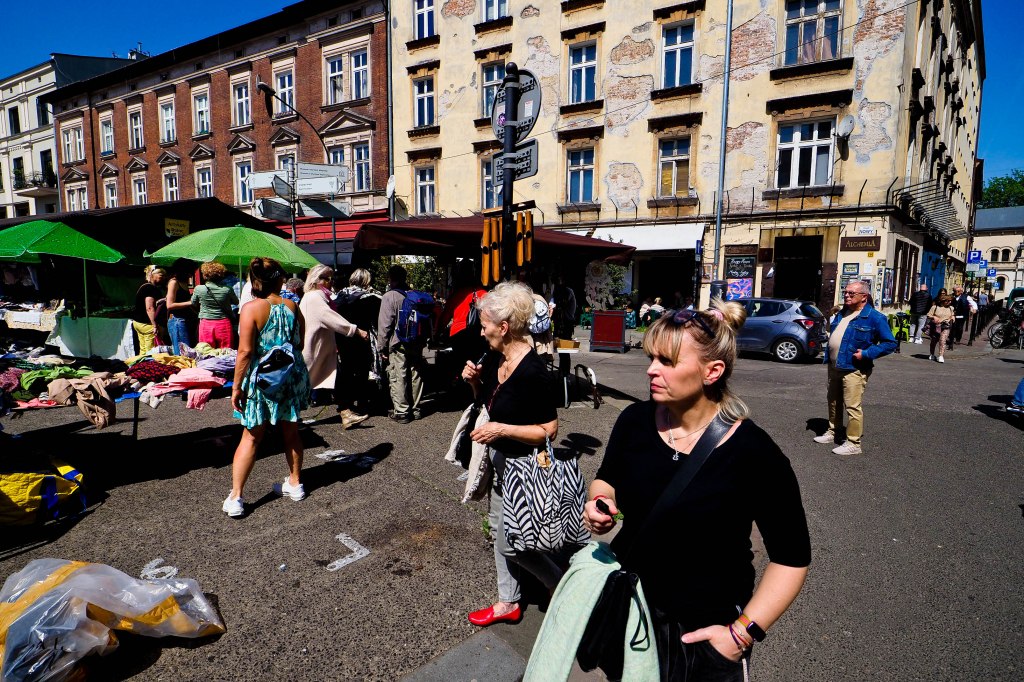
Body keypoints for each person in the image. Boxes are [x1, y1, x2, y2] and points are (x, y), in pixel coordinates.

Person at [582, 302, 811, 680]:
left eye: (667, 361)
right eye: (652, 357)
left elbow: (791, 558)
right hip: (631, 607)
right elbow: (608, 477)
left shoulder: (754, 453)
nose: (651, 370)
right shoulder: (635, 421)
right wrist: (600, 501)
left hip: (704, 629)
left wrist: (740, 634)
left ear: (712, 371)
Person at [461, 281, 571, 628]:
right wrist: (476, 384)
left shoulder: (533, 371)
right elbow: (490, 406)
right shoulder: (497, 358)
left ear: (504, 328)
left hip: (525, 468)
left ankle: (563, 587)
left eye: (485, 326)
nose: (482, 333)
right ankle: (508, 601)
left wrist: (501, 431)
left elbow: (549, 429)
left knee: (515, 544)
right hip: (500, 461)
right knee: (497, 530)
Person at [223, 258, 311, 518]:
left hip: (263, 380)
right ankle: (295, 483)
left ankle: (237, 497)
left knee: (251, 436)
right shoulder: (293, 306)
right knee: (291, 430)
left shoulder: (251, 308)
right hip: (290, 377)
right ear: (280, 279)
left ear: (255, 280)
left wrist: (236, 387)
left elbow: (245, 352)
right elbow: (300, 343)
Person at [814, 280, 897, 456]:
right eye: (846, 292)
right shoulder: (842, 313)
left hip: (854, 368)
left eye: (852, 293)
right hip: (835, 365)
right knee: (833, 401)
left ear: (864, 297)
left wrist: (867, 353)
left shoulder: (875, 317)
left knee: (852, 406)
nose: (847, 295)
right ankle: (833, 431)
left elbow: (890, 343)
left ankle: (853, 443)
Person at [298, 265, 369, 421]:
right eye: (325, 278)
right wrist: (356, 330)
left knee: (336, 380)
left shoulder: (318, 296)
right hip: (313, 350)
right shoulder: (315, 297)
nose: (329, 281)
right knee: (300, 387)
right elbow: (330, 318)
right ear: (316, 279)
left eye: (330, 278)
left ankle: (345, 413)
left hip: (319, 349)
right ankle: (283, 422)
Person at [333, 268, 382, 427]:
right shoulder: (372, 298)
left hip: (343, 338)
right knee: (361, 371)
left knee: (345, 370)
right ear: (367, 281)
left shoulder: (339, 296)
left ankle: (346, 403)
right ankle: (361, 401)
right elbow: (377, 321)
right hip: (362, 337)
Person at [377, 265, 425, 424]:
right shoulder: (415, 295)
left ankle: (402, 412)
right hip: (416, 341)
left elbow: (385, 325)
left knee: (398, 375)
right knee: (415, 374)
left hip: (398, 343)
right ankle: (416, 409)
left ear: (390, 279)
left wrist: (381, 347)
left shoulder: (389, 296)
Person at [192, 261, 238, 349]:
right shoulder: (227, 289)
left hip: (205, 323)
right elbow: (236, 302)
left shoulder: (199, 289)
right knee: (225, 353)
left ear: (205, 275)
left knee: (206, 351)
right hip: (224, 323)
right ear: (221, 275)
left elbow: (194, 303)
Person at [132, 266, 166, 355]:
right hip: (147, 324)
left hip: (138, 322)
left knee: (143, 350)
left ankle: (141, 366)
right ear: (152, 275)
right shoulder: (150, 288)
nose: (163, 278)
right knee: (150, 351)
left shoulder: (143, 286)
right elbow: (149, 308)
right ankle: (148, 367)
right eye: (161, 275)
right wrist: (155, 325)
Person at [165, 260, 197, 355]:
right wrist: (190, 302)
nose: (191, 274)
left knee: (187, 351)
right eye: (190, 271)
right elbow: (169, 305)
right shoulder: (174, 282)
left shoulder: (183, 282)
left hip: (184, 320)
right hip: (177, 321)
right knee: (182, 352)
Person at [926, 294, 955, 363]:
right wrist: (934, 317)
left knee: (943, 340)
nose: (949, 302)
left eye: (950, 301)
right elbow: (928, 315)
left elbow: (952, 315)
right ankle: (932, 354)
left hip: (946, 326)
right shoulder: (934, 307)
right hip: (936, 326)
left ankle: (941, 356)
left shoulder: (951, 308)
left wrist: (952, 317)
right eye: (947, 301)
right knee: (934, 340)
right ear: (943, 301)